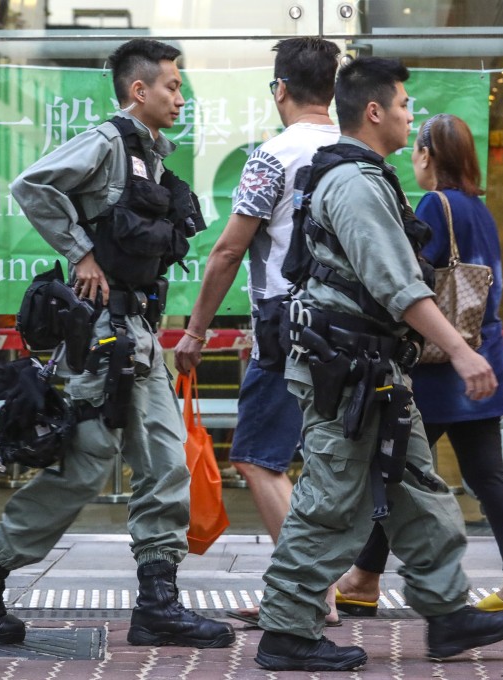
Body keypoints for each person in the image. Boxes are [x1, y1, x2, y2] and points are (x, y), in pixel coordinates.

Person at [0, 38, 235, 650]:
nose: (181, 97)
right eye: (172, 86)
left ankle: (158, 603)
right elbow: (33, 186)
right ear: (139, 90)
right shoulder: (107, 142)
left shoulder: (150, 155)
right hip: (103, 338)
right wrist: (81, 254)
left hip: (139, 335)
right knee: (85, 465)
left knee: (165, 463)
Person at [253, 57, 503, 672]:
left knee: (418, 491)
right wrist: (459, 351)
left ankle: (447, 615)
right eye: (403, 104)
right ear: (373, 111)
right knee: (329, 503)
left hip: (370, 371)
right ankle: (286, 632)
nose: (410, 114)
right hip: (346, 373)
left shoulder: (370, 177)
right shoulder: (353, 182)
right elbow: (397, 283)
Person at [335, 113, 503, 620]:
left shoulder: (436, 204)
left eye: (417, 150)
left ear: (428, 156)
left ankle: (363, 579)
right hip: (485, 360)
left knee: (398, 475)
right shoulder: (480, 208)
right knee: (488, 475)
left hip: (439, 369)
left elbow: (410, 280)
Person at [172, 37, 340, 627]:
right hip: (349, 327)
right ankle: (318, 589)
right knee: (322, 460)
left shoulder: (274, 157)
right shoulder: (357, 155)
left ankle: (306, 594)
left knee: (258, 458)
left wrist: (194, 333)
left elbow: (227, 252)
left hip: (286, 322)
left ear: (281, 90)